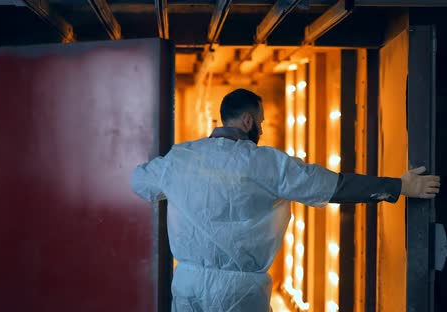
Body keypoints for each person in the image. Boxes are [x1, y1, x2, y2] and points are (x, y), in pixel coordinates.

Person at [130, 88, 441, 312]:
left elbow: (138, 181)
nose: (263, 128)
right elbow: (334, 187)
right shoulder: (266, 163)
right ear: (248, 121)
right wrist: (400, 186)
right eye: (262, 121)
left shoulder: (180, 159)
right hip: (238, 293)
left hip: (186, 283)